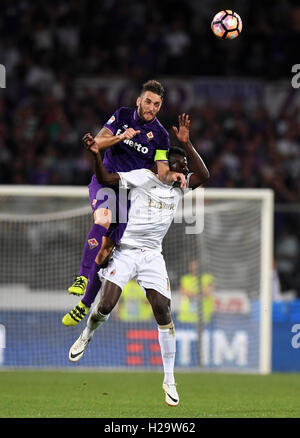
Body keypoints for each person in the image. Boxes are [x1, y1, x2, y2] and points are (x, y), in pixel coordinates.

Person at [67, 114, 210, 406]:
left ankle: (169, 380)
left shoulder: (180, 187)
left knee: (163, 310)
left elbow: (205, 176)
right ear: (167, 165)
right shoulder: (145, 177)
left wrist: (187, 143)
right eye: (179, 163)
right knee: (105, 306)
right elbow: (107, 178)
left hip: (153, 256)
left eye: (185, 166)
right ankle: (86, 334)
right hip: (126, 250)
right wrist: (97, 154)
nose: (184, 169)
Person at [65, 79, 185, 324]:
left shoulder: (160, 135)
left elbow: (161, 168)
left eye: (157, 104)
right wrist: (121, 137)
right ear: (139, 101)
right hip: (105, 180)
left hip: (128, 193)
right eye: (148, 102)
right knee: (103, 217)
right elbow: (97, 143)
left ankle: (85, 304)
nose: (151, 107)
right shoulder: (122, 116)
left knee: (107, 252)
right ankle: (81, 278)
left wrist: (171, 174)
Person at [178, 259, 215, 324]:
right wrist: (199, 294)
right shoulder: (185, 278)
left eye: (196, 265)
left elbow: (208, 292)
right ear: (189, 267)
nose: (194, 267)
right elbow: (182, 292)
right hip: (186, 317)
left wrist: (190, 294)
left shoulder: (207, 277)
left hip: (203, 317)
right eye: (192, 265)